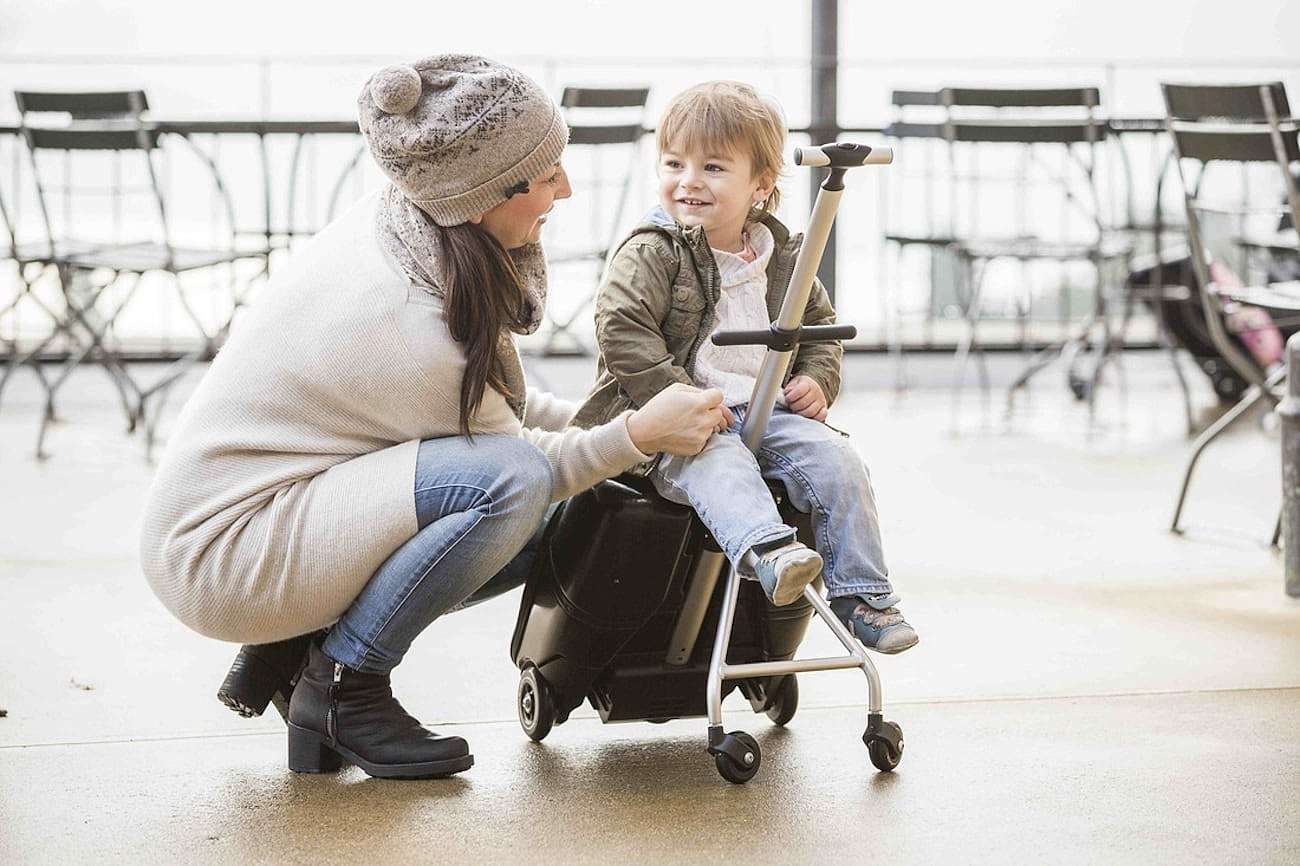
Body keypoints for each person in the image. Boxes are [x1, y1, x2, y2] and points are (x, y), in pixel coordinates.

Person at [139, 55, 728, 781]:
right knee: (516, 492)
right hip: (225, 555)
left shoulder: (412, 219)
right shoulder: (409, 319)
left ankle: (301, 658)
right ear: (485, 193)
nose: (566, 189)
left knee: (536, 502)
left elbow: (497, 414)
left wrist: (612, 419)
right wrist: (639, 434)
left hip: (271, 506)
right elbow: (519, 464)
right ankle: (343, 689)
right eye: (548, 176)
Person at [571, 81, 919, 653]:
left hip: (766, 409)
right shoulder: (654, 250)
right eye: (674, 163)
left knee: (839, 461)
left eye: (712, 167)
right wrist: (682, 400)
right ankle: (771, 553)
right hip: (678, 420)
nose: (689, 181)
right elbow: (622, 330)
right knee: (721, 463)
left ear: (760, 185)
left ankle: (864, 597)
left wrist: (816, 378)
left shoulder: (783, 255)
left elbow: (816, 328)